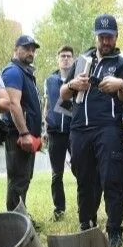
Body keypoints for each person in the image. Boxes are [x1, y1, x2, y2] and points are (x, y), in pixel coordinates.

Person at [59, 14, 123, 247]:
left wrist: (119, 85)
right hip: (80, 128)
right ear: (95, 36)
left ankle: (114, 230)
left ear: (116, 37)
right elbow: (62, 95)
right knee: (84, 179)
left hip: (108, 127)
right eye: (101, 37)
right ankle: (87, 224)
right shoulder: (80, 61)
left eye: (109, 37)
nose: (105, 41)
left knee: (111, 177)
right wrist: (73, 85)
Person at [2, 35, 42, 211]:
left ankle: (21, 218)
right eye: (26, 48)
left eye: (33, 49)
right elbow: (13, 104)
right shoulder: (13, 71)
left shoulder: (26, 72)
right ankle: (15, 223)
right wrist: (24, 133)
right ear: (16, 49)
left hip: (28, 135)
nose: (31, 52)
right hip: (18, 135)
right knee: (18, 180)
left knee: (24, 178)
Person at [43, 45, 74, 221]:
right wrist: (44, 128)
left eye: (69, 56)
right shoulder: (50, 81)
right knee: (57, 174)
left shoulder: (78, 79)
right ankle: (59, 209)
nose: (65, 59)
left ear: (73, 59)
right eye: (62, 56)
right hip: (55, 133)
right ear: (58, 59)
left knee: (80, 168)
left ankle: (84, 206)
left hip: (73, 132)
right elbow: (46, 105)